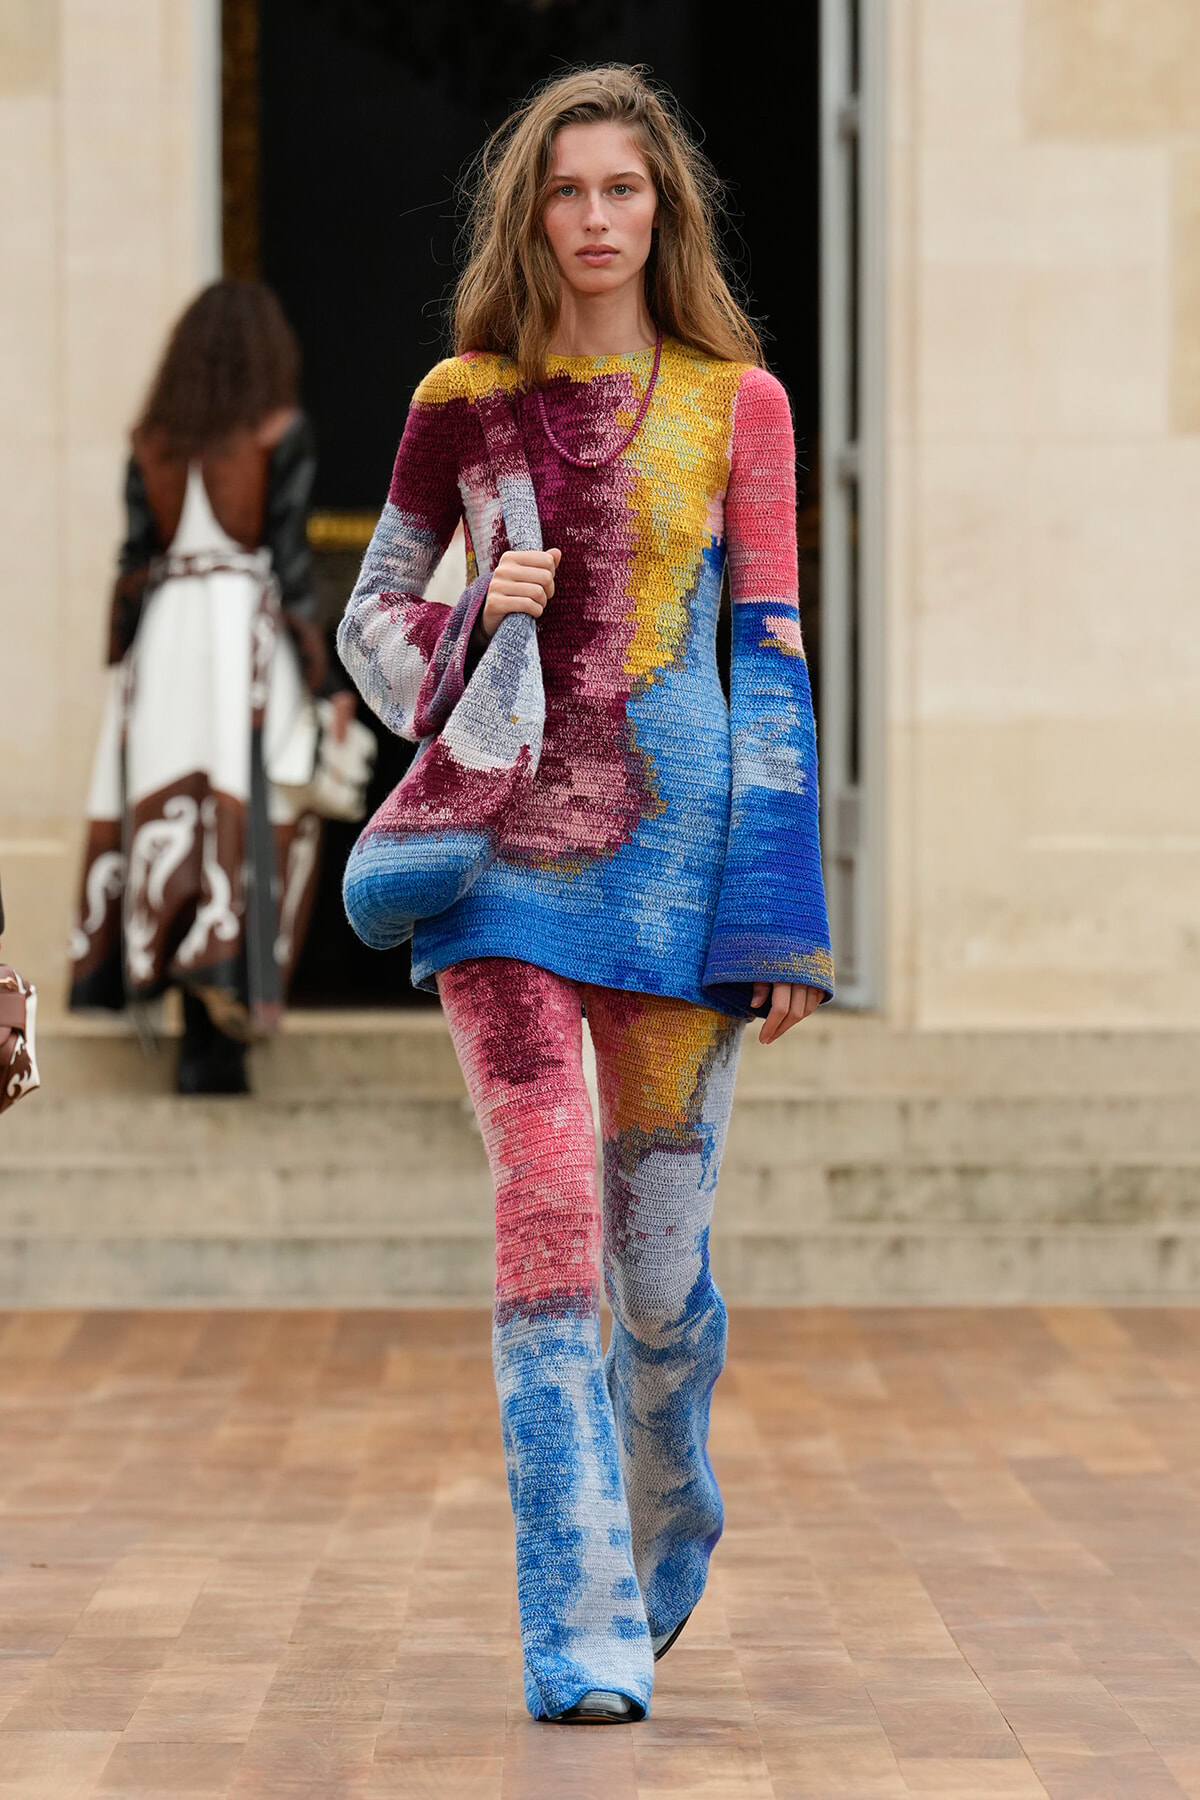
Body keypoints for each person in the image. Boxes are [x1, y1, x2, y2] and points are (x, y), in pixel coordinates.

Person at [338, 66, 833, 1722]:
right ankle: (582, 1633)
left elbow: (770, 655)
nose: (598, 217)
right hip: (496, 865)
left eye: (625, 189)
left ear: (662, 213)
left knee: (657, 1284)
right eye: (569, 191)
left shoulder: (739, 404)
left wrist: (780, 917)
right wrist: (483, 601)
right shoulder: (462, 399)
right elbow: (367, 628)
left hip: (686, 875)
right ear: (531, 214)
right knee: (543, 1231)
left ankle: (670, 1492)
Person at [70, 280, 355, 1093]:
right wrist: (322, 677)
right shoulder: (278, 430)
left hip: (166, 639)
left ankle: (187, 1021)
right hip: (244, 637)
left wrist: (125, 664)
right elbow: (291, 564)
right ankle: (220, 1031)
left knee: (170, 814)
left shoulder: (151, 439)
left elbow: (133, 561)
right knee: (249, 812)